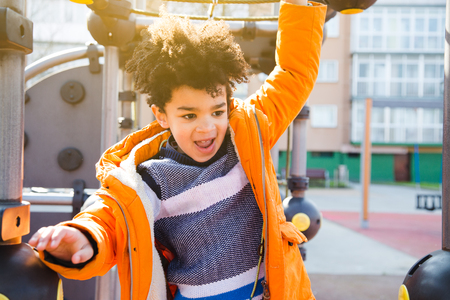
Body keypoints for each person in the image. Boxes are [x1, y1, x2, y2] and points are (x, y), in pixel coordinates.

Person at [29, 0, 326, 299]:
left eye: (217, 111)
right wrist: (85, 236)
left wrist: (302, 5)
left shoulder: (247, 132)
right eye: (189, 115)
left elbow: (293, 74)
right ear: (161, 115)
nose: (207, 127)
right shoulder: (148, 178)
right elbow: (109, 218)